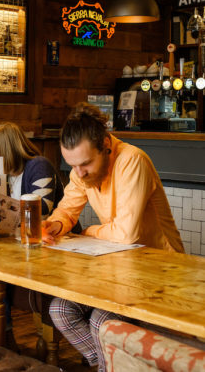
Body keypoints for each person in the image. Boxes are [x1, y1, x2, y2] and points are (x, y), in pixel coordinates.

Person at [42, 102, 184, 372]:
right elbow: (67, 210)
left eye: (85, 164)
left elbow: (126, 234)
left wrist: (86, 232)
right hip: (118, 269)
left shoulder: (132, 160)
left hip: (160, 271)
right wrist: (56, 226)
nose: (80, 174)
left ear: (105, 144)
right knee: (60, 310)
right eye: (73, 166)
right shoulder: (81, 171)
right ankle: (107, 364)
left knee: (101, 321)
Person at [0, 122, 82, 349]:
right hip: (24, 249)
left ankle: (6, 339)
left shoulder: (38, 165)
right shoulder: (3, 175)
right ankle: (3, 337)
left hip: (59, 248)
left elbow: (40, 211)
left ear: (6, 148)